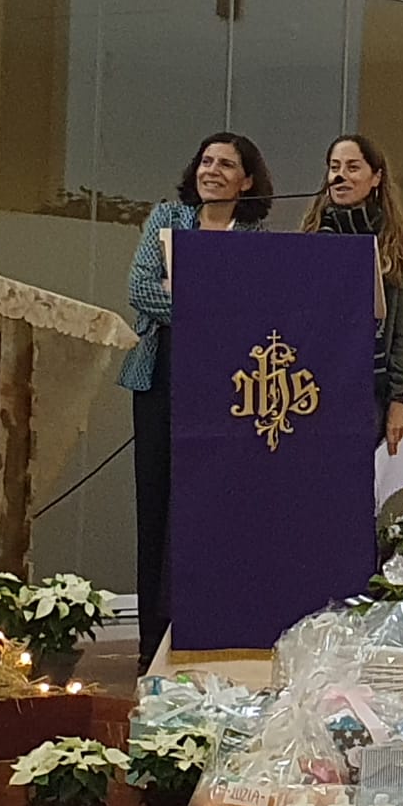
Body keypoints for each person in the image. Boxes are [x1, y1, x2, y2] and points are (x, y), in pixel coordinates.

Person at [120, 133, 274, 671]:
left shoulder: (255, 239)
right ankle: (150, 644)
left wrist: (186, 295)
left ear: (246, 181)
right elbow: (141, 290)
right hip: (159, 377)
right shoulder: (167, 218)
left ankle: (203, 633)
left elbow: (250, 308)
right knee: (154, 506)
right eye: (207, 161)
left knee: (206, 508)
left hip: (221, 388)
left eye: (226, 164)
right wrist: (210, 304)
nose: (212, 170)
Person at [300, 134, 403, 454]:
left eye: (353, 167)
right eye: (334, 168)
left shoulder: (393, 247)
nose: (340, 176)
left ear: (376, 177)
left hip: (367, 395)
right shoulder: (309, 241)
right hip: (307, 386)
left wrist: (399, 401)